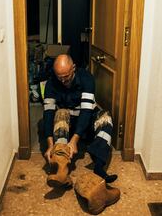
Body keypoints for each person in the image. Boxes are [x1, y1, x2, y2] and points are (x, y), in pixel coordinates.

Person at [43, 54, 117, 183]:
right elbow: (48, 114)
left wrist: (75, 140)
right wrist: (50, 145)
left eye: (66, 77)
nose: (63, 82)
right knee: (61, 112)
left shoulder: (87, 78)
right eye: (59, 78)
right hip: (66, 127)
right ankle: (61, 168)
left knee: (106, 117)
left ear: (73, 68)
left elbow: (86, 111)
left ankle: (99, 166)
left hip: (85, 122)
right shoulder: (50, 84)